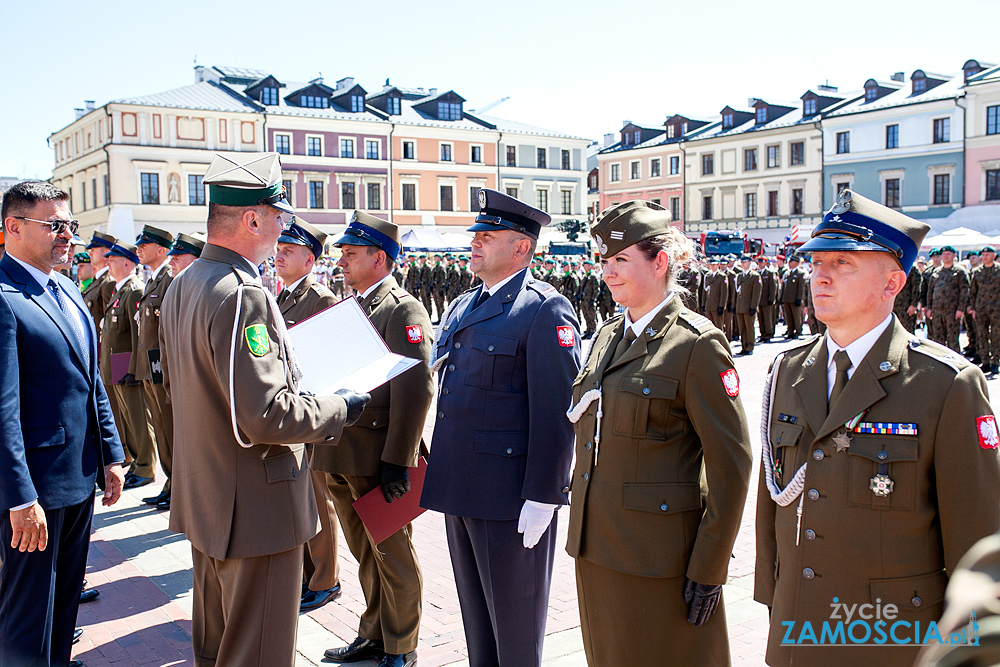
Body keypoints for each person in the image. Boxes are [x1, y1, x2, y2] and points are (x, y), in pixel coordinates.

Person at [754, 189, 1000, 667]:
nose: (820, 276)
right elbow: (774, 497)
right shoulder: (787, 371)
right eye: (816, 262)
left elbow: (980, 542)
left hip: (890, 640)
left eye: (843, 263)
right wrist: (773, 597)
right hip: (797, 628)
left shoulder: (943, 384)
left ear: (893, 283)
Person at [158, 153, 370, 667]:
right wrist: (338, 408)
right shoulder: (241, 293)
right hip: (254, 504)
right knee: (258, 653)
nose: (283, 227)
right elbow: (267, 416)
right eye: (280, 216)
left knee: (218, 647)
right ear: (252, 219)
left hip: (211, 500)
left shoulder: (186, 282)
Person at [566, 200, 752, 666]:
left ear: (661, 262)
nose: (607, 273)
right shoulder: (609, 336)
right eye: (604, 262)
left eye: (621, 261)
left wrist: (710, 565)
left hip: (660, 559)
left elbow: (732, 462)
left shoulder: (695, 344)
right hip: (597, 546)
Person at [420, 188, 581, 667]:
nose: (475, 242)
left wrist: (545, 494)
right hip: (460, 485)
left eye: (488, 236)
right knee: (478, 624)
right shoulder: (465, 303)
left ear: (521, 248)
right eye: (476, 234)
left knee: (514, 631)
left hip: (510, 496)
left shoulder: (543, 309)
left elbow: (558, 410)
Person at [0, 180, 126, 667]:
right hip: (33, 489)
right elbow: (3, 410)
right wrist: (19, 497)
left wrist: (112, 453)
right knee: (26, 618)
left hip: (78, 477)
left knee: (64, 606)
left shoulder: (69, 290)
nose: (67, 235)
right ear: (13, 227)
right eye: (54, 225)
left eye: (70, 225)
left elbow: (91, 380)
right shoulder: (5, 297)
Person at [321, 211, 434, 667]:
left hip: (376, 457)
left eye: (351, 253)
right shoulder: (354, 307)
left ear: (380, 259)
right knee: (364, 553)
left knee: (394, 556)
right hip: (341, 452)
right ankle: (373, 634)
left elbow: (416, 386)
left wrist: (398, 459)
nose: (343, 261)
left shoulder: (402, 308)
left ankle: (401, 644)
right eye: (343, 253)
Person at [273, 217, 343, 611]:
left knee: (318, 500)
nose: (279, 255)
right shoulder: (282, 298)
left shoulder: (321, 299)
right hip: (291, 411)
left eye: (289, 251)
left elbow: (327, 363)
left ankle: (325, 578)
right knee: (298, 499)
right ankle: (305, 573)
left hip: (312, 412)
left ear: (310, 259)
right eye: (279, 248)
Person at [101, 241, 158, 489]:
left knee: (137, 418)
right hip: (117, 361)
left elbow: (137, 335)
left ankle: (145, 466)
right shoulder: (119, 290)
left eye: (112, 260)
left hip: (126, 361)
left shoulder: (133, 290)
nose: (108, 264)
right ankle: (137, 462)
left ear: (127, 263)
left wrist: (134, 368)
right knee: (127, 417)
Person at [133, 225, 175, 508]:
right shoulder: (152, 281)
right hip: (150, 367)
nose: (139, 249)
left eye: (145, 245)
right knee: (160, 428)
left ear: (161, 250)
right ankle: (170, 483)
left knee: (169, 428)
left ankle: (175, 485)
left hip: (163, 367)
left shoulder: (168, 281)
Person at [926, 245, 969, 353]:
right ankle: (941, 365)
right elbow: (930, 291)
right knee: (938, 339)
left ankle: (955, 366)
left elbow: (964, 291)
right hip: (937, 310)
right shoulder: (936, 272)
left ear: (954, 255)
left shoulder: (959, 271)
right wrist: (929, 307)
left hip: (952, 310)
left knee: (952, 339)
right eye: (944, 254)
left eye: (948, 254)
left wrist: (961, 309)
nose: (945, 256)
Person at [970, 245, 1000, 375]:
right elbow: (973, 291)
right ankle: (985, 361)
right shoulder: (977, 271)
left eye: (988, 254)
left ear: (994, 256)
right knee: (981, 335)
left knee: (996, 336)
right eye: (984, 255)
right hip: (981, 308)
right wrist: (973, 308)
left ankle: (995, 362)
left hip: (996, 308)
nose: (985, 257)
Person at [735, 253, 762, 355]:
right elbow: (737, 292)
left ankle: (750, 346)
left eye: (745, 262)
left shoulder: (754, 276)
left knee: (749, 327)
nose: (743, 264)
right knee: (742, 328)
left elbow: (756, 293)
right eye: (741, 262)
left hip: (748, 306)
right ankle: (744, 346)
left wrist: (753, 307)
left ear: (750, 263)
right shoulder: (739, 276)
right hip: (740, 306)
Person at [780, 255, 806, 338]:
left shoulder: (800, 273)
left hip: (795, 299)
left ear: (796, 263)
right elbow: (784, 286)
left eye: (791, 262)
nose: (789, 263)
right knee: (789, 316)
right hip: (787, 298)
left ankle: (798, 331)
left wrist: (799, 298)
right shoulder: (787, 273)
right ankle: (790, 331)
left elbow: (801, 287)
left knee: (796, 316)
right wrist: (781, 297)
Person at [703, 257, 728, 330]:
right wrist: (703, 304)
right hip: (708, 305)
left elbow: (724, 293)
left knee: (718, 326)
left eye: (714, 265)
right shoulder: (707, 276)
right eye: (711, 264)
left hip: (717, 305)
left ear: (718, 265)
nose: (712, 266)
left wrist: (722, 306)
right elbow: (705, 292)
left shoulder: (721, 276)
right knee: (709, 327)